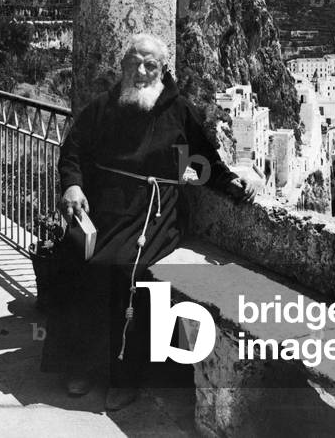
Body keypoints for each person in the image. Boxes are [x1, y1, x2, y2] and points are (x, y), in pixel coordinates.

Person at [43, 33, 257, 411]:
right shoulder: (103, 107)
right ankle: (79, 364)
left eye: (150, 65)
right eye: (133, 64)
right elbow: (72, 150)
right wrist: (73, 185)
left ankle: (124, 375)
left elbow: (203, 161)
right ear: (122, 66)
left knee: (125, 268)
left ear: (163, 70)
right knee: (75, 259)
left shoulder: (180, 111)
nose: (140, 72)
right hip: (105, 209)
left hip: (154, 214)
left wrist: (232, 184)